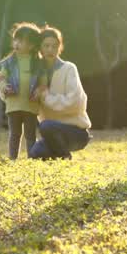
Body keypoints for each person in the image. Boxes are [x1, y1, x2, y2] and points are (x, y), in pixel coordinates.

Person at [29, 25, 91, 160]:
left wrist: (45, 96)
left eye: (54, 46)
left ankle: (64, 155)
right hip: (51, 134)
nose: (50, 50)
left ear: (60, 47)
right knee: (35, 153)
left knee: (46, 126)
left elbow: (75, 103)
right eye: (46, 46)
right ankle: (58, 153)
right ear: (40, 48)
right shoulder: (36, 73)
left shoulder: (69, 68)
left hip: (76, 133)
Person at [0, 22, 47, 159]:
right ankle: (13, 159)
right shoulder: (10, 62)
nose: (16, 43)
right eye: (15, 40)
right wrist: (4, 86)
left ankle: (31, 158)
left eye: (21, 41)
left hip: (31, 105)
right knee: (14, 134)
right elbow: (0, 78)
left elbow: (43, 83)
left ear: (31, 45)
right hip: (13, 105)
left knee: (30, 135)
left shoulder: (38, 63)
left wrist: (39, 91)